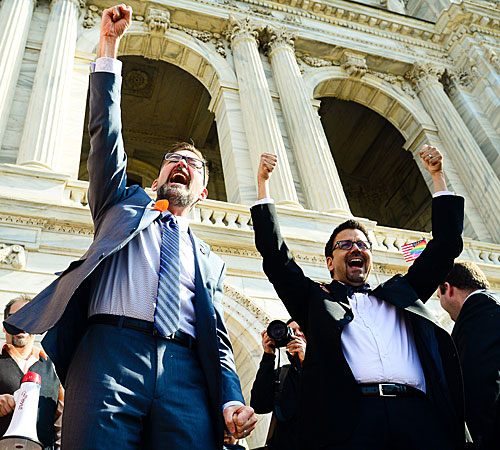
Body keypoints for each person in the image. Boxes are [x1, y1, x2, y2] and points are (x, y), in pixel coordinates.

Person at [4, 5, 256, 449]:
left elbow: (217, 340)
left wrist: (230, 400)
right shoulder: (120, 206)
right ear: (156, 179)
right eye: (172, 161)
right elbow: (106, 137)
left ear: (201, 190)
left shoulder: (210, 262)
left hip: (185, 373)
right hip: (108, 355)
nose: (182, 165)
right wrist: (108, 49)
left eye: (193, 165)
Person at [251, 147, 469, 449]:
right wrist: (263, 186)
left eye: (362, 244)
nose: (356, 249)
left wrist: (437, 176)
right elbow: (277, 260)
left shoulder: (402, 293)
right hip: (354, 420)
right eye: (345, 245)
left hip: (418, 414)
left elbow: (445, 246)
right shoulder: (316, 301)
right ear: (330, 262)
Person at [438, 261, 500, 450]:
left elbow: (480, 384)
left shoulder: (477, 319)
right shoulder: (489, 310)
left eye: (438, 296)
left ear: (448, 289)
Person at [0, 296, 63, 449]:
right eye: (14, 318)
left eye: (28, 317)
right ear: (4, 326)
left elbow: (61, 424)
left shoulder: (54, 368)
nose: (21, 324)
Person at [250, 320, 305, 450]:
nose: (296, 335)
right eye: (291, 331)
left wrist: (307, 362)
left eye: (301, 330)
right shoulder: (282, 375)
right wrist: (268, 356)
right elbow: (259, 405)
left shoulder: (328, 371)